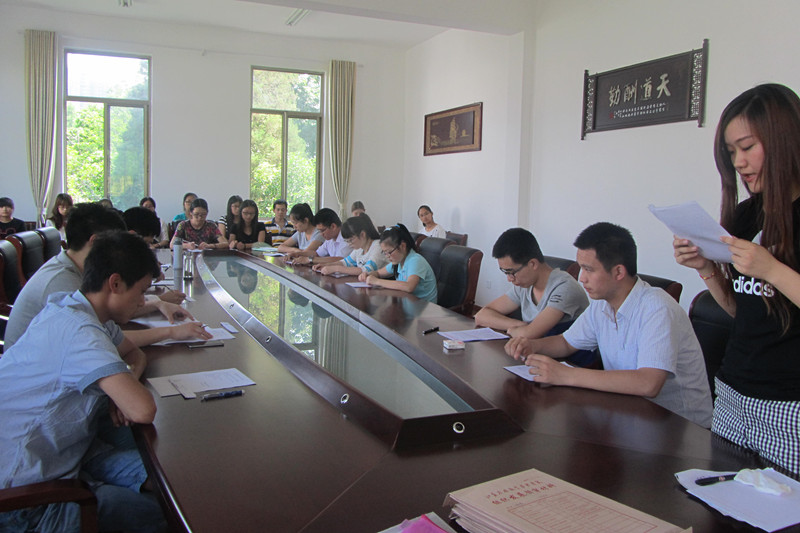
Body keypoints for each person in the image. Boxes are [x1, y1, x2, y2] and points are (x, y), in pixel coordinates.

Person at [0, 231, 168, 533]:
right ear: (115, 283)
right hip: (25, 500)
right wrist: (123, 392)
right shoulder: (81, 331)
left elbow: (134, 351)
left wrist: (124, 383)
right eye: (141, 291)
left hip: (68, 454)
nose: (143, 301)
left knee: (168, 477)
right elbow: (142, 409)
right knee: (162, 514)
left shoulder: (74, 308)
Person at [673, 83, 800, 473]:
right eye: (731, 153)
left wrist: (772, 269)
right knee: (722, 499)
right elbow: (739, 310)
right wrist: (706, 268)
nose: (739, 163)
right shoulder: (747, 215)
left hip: (789, 405)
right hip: (732, 393)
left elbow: (768, 277)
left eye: (747, 147)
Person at [506, 222, 712, 427]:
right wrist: (532, 345)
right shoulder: (601, 304)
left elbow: (648, 383)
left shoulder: (657, 308)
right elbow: (566, 343)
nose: (581, 278)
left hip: (681, 428)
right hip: (631, 414)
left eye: (588, 270)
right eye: (581, 268)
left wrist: (565, 374)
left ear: (618, 272)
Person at [5, 203, 207, 350]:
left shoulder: (78, 270)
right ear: (96, 242)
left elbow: (108, 324)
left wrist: (155, 304)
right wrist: (171, 332)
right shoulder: (62, 283)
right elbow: (103, 340)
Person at [475, 228, 592, 364]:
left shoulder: (565, 288)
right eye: (505, 272)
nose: (509, 279)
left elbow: (530, 334)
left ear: (532, 264)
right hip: (537, 359)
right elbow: (481, 316)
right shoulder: (524, 285)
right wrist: (517, 325)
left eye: (511, 272)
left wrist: (523, 330)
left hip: (570, 364)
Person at [359, 223, 438, 302]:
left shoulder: (415, 260)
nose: (387, 256)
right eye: (384, 253)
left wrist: (377, 281)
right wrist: (368, 275)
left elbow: (409, 287)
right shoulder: (399, 261)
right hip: (408, 303)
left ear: (402, 246)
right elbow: (378, 273)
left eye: (389, 252)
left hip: (424, 307)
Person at [316, 213, 386, 276]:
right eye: (347, 241)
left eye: (351, 240)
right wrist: (326, 265)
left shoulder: (378, 246)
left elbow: (368, 270)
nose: (349, 244)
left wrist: (336, 268)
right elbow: (345, 262)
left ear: (362, 234)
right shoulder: (359, 249)